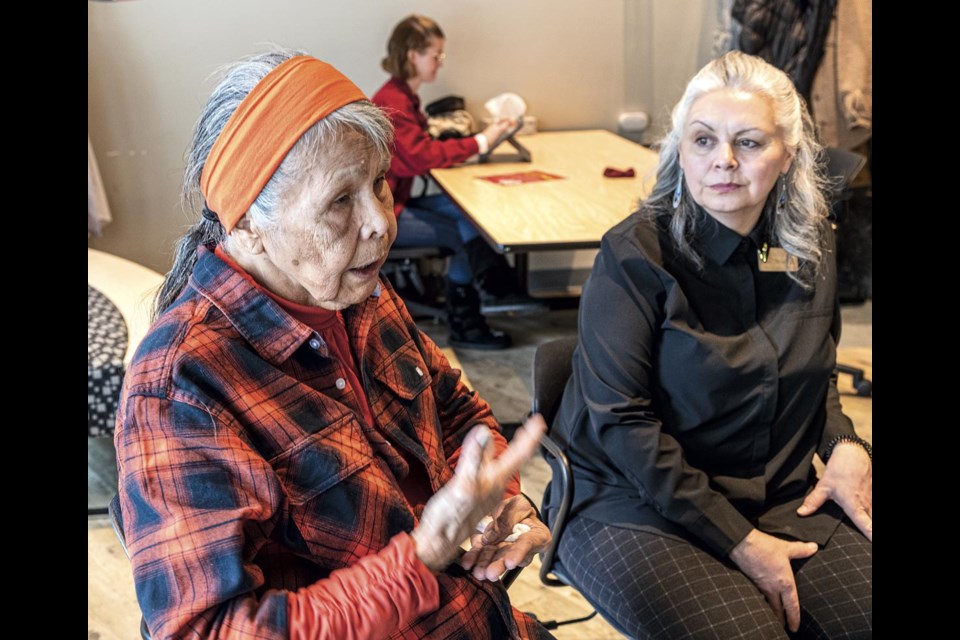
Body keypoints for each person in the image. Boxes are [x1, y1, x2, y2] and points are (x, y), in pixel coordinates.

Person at [113, 48, 555, 640]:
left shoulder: (360, 293)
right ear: (246, 221)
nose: (380, 222)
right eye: (341, 201)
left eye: (379, 183)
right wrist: (418, 561)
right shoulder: (182, 387)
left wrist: (503, 502)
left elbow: (456, 411)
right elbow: (210, 630)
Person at [541, 51, 871, 639]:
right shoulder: (638, 256)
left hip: (772, 486)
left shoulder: (795, 249)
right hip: (634, 500)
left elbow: (813, 365)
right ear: (679, 149)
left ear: (787, 154)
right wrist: (741, 542)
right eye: (703, 139)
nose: (723, 161)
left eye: (748, 142)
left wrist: (844, 442)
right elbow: (621, 422)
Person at [372, 14, 546, 351]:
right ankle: (468, 319)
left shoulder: (404, 96)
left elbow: (422, 150)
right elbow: (421, 157)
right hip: (387, 211)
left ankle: (495, 286)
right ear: (412, 55)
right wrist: (483, 140)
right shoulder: (393, 102)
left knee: (467, 210)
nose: (439, 63)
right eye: (435, 55)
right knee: (466, 231)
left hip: (397, 200)